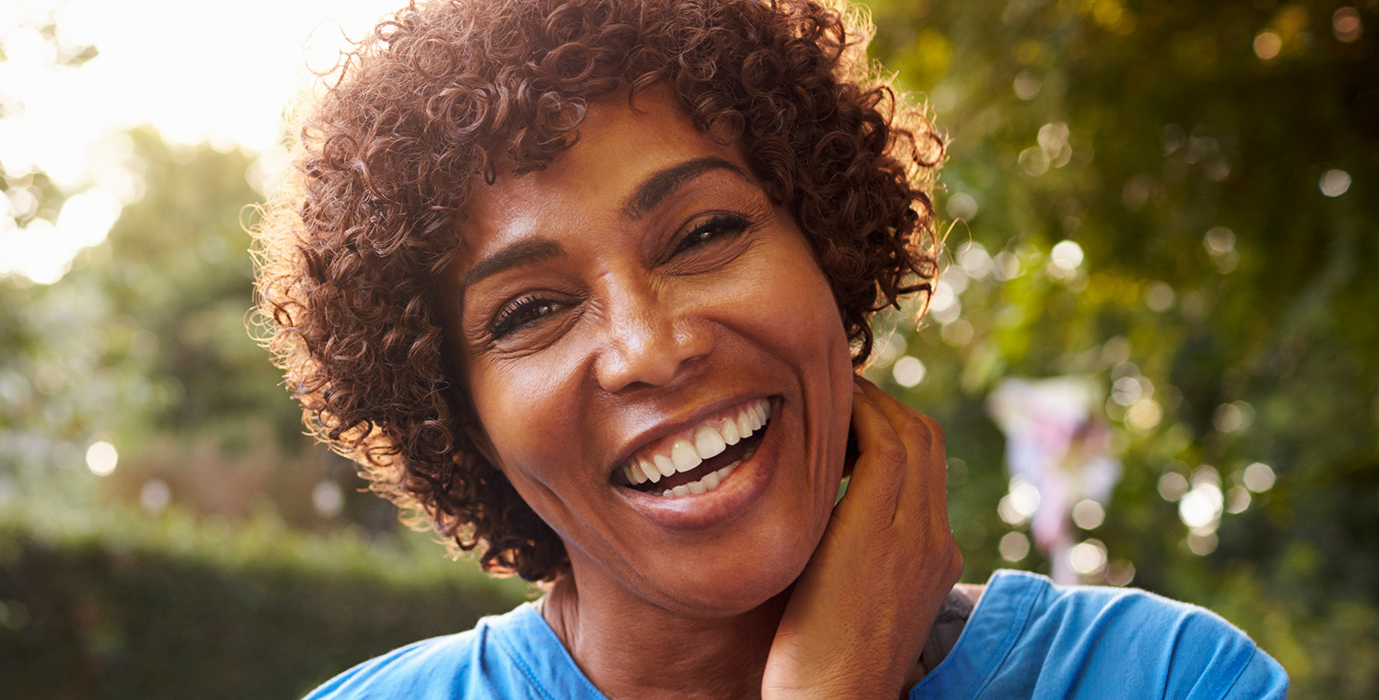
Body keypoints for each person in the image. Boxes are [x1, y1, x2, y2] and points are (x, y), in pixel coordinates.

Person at [252, 0, 1289, 697]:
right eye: (528, 311)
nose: (649, 348)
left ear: (829, 251)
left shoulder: (1160, 678)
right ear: (458, 420)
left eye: (704, 234)